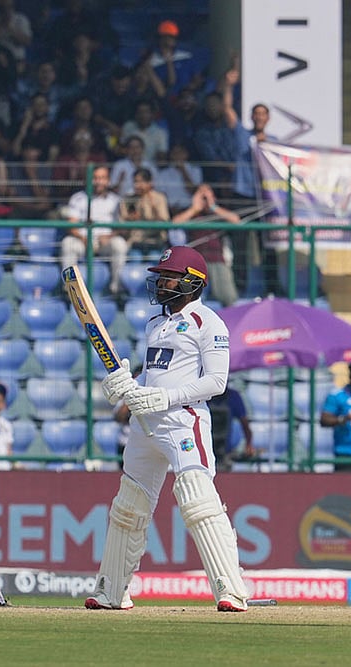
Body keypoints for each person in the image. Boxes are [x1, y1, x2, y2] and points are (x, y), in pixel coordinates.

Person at [87, 245, 248, 612]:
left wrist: (166, 398)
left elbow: (217, 382)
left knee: (196, 499)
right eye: (160, 275)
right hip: (145, 424)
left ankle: (231, 590)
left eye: (170, 276)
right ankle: (112, 591)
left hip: (183, 421)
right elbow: (152, 374)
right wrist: (125, 389)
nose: (161, 282)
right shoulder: (154, 323)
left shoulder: (208, 322)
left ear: (193, 282)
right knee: (129, 505)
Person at [170, 184, 243, 307]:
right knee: (188, 297)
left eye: (207, 195)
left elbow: (236, 220)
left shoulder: (218, 212)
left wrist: (213, 206)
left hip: (217, 259)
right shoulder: (192, 212)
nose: (204, 199)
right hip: (195, 262)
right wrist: (194, 208)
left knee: (229, 297)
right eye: (201, 195)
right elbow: (175, 223)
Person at [60, 165, 127, 296]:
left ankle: (116, 288)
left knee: (120, 244)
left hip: (105, 241)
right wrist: (84, 239)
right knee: (68, 243)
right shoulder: (78, 198)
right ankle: (70, 289)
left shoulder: (116, 200)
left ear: (108, 180)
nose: (98, 181)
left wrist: (110, 236)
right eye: (95, 178)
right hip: (82, 240)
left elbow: (122, 227)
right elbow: (71, 224)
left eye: (102, 178)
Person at [208, 384, 254, 472]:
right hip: (205, 450)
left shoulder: (233, 396)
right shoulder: (202, 396)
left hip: (225, 451)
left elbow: (244, 423)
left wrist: (249, 444)